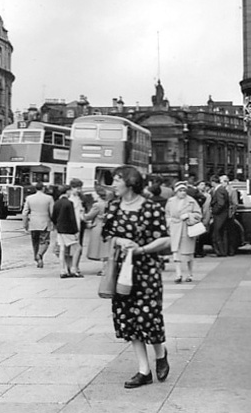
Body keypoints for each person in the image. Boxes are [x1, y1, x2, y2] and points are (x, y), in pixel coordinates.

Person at [102, 165, 170, 389]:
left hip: (146, 269)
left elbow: (165, 240)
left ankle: (160, 354)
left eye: (117, 180)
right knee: (129, 320)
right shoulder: (113, 206)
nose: (113, 184)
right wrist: (120, 241)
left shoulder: (150, 207)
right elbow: (107, 234)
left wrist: (140, 249)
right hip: (122, 270)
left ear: (130, 182)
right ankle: (144, 370)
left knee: (149, 316)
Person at [165, 181, 202, 283]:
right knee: (176, 252)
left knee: (188, 253)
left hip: (187, 228)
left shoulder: (191, 201)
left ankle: (189, 274)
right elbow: (167, 214)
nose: (182, 192)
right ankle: (178, 274)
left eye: (184, 190)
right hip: (175, 228)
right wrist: (169, 223)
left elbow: (198, 214)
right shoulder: (170, 201)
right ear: (176, 192)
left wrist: (189, 215)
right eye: (180, 190)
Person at [51, 185, 82, 278]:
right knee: (77, 248)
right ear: (67, 192)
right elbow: (72, 218)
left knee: (62, 250)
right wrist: (76, 231)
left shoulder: (56, 203)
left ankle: (62, 270)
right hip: (68, 229)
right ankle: (73, 269)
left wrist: (57, 225)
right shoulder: (69, 203)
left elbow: (53, 217)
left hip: (60, 229)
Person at [22, 182, 54, 268]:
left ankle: (37, 257)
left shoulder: (29, 198)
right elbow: (52, 212)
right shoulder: (49, 198)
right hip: (45, 222)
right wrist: (53, 223)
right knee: (45, 241)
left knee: (35, 242)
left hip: (33, 223)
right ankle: (40, 254)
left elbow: (25, 213)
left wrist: (25, 224)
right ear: (43, 188)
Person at [85, 186, 112, 274]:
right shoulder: (108, 204)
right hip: (106, 226)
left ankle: (104, 269)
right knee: (106, 248)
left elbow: (89, 216)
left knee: (101, 249)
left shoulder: (97, 205)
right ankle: (106, 268)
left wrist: (82, 214)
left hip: (98, 226)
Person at [211, 175, 232, 257]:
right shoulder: (223, 189)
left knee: (218, 234)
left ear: (213, 182)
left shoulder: (219, 190)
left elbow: (221, 203)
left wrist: (214, 211)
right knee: (223, 234)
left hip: (220, 215)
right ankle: (224, 251)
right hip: (224, 215)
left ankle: (221, 252)